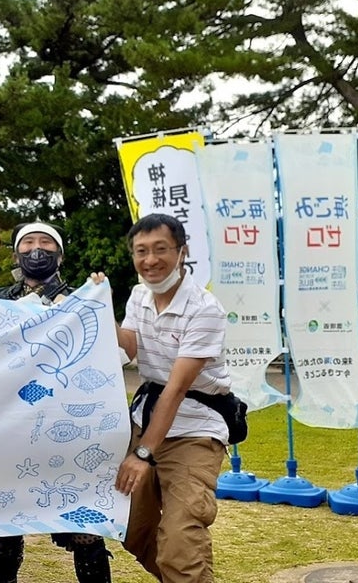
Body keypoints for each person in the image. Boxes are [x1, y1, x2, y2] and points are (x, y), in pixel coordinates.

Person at [0, 222, 110, 583]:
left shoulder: (85, 298)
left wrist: (99, 294)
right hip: (7, 425)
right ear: (17, 253)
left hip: (66, 425)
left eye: (46, 242)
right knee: (4, 522)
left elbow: (105, 354)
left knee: (84, 525)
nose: (37, 249)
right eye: (29, 242)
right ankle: (2, 577)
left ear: (60, 254)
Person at [116, 214, 231, 583]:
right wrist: (96, 310)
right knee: (133, 532)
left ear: (182, 251)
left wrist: (143, 454)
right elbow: (129, 347)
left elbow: (177, 388)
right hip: (145, 422)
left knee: (180, 541)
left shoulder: (205, 309)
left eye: (160, 249)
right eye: (141, 251)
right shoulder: (138, 295)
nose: (150, 260)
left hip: (195, 432)